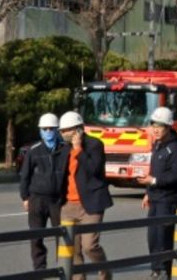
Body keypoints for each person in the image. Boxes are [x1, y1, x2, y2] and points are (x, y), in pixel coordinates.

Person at [59, 111, 113, 280]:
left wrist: (78, 149)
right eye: (62, 131)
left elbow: (94, 169)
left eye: (68, 130)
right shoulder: (63, 149)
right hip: (68, 205)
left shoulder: (94, 145)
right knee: (72, 250)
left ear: (79, 130)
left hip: (91, 204)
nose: (64, 134)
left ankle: (105, 272)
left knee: (90, 246)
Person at [139, 107, 177, 280]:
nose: (156, 129)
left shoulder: (176, 149)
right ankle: (156, 268)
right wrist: (147, 193)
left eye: (160, 126)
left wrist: (153, 181)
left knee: (163, 237)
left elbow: (176, 176)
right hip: (155, 197)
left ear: (169, 127)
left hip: (168, 199)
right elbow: (154, 170)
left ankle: (164, 270)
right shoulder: (157, 145)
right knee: (152, 236)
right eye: (153, 125)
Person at [19, 112, 68, 272]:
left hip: (57, 200)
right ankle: (40, 268)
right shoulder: (34, 151)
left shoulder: (65, 150)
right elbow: (25, 176)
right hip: (37, 200)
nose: (48, 132)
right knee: (36, 236)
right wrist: (25, 197)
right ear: (40, 131)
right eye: (45, 129)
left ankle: (63, 267)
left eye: (51, 128)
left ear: (57, 130)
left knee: (61, 236)